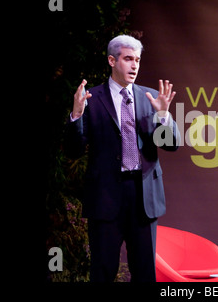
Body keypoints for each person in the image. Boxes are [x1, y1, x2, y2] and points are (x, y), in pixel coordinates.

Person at [66, 34, 180, 282]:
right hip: (106, 197)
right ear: (111, 60)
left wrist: (163, 117)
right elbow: (73, 150)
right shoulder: (91, 100)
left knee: (144, 272)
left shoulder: (152, 98)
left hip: (144, 197)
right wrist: (76, 116)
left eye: (137, 60)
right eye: (128, 59)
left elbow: (172, 145)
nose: (134, 65)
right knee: (103, 271)